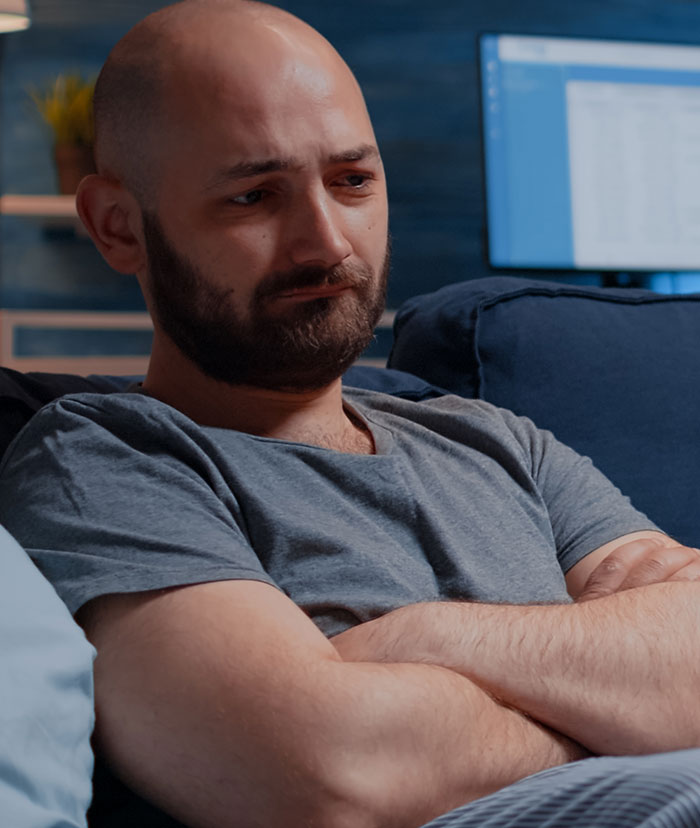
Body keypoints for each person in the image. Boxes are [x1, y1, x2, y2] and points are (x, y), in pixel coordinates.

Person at [3, 1, 700, 826]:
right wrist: (620, 710)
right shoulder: (109, 462)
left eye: (352, 181)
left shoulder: (497, 439)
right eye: (255, 195)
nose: (326, 242)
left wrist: (423, 639)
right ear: (119, 228)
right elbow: (326, 772)